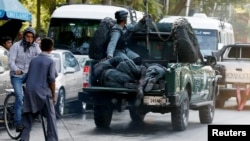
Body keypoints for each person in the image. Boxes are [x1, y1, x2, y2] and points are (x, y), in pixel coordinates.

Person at [20, 37, 58, 141]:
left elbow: (27, 76)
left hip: (30, 91)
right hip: (43, 92)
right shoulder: (50, 61)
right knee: (51, 118)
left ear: (40, 47)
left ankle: (23, 139)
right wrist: (53, 96)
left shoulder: (34, 60)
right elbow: (52, 81)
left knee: (28, 119)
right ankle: (52, 139)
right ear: (51, 48)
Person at [8, 27, 41, 132]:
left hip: (29, 75)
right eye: (27, 36)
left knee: (36, 92)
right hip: (17, 76)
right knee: (19, 96)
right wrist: (16, 69)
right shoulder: (16, 46)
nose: (29, 39)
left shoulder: (36, 47)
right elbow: (11, 62)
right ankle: (18, 123)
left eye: (32, 37)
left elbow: (40, 58)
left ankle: (33, 114)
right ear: (24, 36)